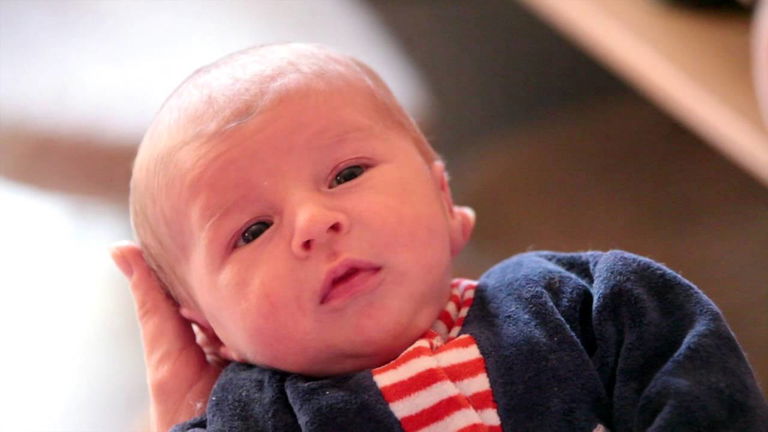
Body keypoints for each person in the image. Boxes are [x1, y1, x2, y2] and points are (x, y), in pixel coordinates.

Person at [111, 43, 768, 432]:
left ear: (445, 203)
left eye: (346, 174)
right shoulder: (256, 416)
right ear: (212, 331)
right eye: (252, 230)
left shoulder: (575, 302)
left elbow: (704, 391)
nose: (314, 222)